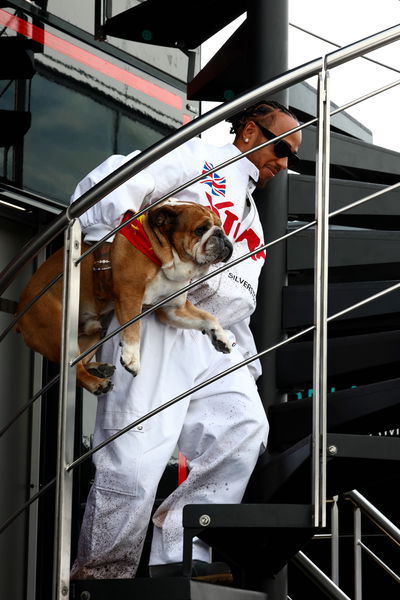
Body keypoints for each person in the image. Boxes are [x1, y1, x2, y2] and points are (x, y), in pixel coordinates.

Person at [70, 100, 302, 581]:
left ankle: (179, 554)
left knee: (242, 429)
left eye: (292, 156)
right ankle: (100, 579)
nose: (285, 163)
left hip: (207, 336)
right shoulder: (196, 156)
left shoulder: (252, 217)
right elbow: (116, 181)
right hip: (153, 321)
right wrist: (109, 257)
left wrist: (245, 365)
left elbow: (238, 304)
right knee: (135, 455)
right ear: (251, 131)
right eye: (282, 148)